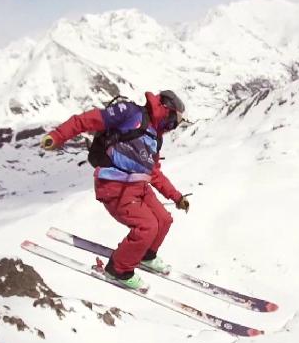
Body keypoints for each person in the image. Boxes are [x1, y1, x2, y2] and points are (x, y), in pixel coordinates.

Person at [40, 90, 190, 290]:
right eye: (175, 121)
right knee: (147, 227)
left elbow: (153, 172)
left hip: (138, 187)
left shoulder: (155, 137)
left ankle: (145, 255)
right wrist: (57, 136)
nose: (173, 127)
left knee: (163, 220)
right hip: (115, 187)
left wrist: (177, 197)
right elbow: (87, 120)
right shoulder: (130, 113)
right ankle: (118, 270)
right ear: (167, 112)